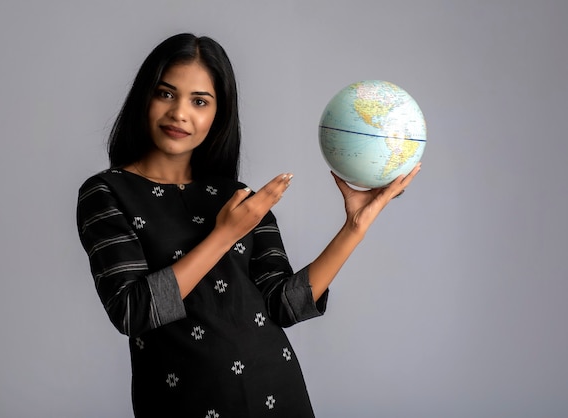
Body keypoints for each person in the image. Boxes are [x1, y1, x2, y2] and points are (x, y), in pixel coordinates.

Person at [76, 33, 420, 417]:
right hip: (182, 403)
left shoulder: (240, 197)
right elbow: (131, 311)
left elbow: (284, 305)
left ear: (218, 114)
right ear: (145, 97)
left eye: (200, 101)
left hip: (278, 395)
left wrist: (354, 226)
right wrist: (225, 235)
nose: (179, 113)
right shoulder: (106, 192)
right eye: (166, 94)